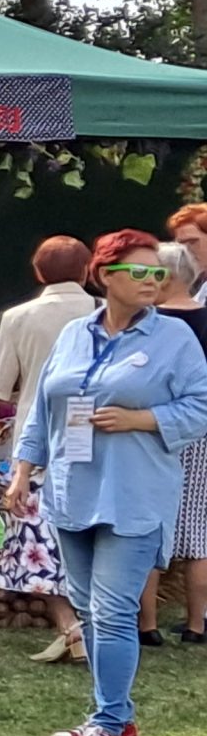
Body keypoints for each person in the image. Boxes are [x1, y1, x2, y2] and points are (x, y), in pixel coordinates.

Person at [6, 231, 207, 736]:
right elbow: (44, 408)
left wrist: (141, 419)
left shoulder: (175, 338)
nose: (152, 281)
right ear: (104, 276)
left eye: (157, 273)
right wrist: (22, 471)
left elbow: (201, 407)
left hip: (135, 494)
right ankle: (119, 715)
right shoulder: (75, 333)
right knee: (90, 609)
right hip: (72, 491)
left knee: (116, 610)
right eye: (138, 272)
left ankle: (105, 725)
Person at [0, 235, 95, 663]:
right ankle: (102, 623)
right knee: (97, 531)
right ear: (87, 270)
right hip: (100, 434)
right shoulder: (105, 312)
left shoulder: (18, 317)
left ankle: (70, 624)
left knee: (39, 537)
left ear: (38, 272)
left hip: (37, 438)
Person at [150, 240, 207, 645]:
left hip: (156, 426)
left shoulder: (151, 322)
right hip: (201, 430)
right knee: (199, 531)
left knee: (150, 527)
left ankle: (146, 625)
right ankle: (197, 625)